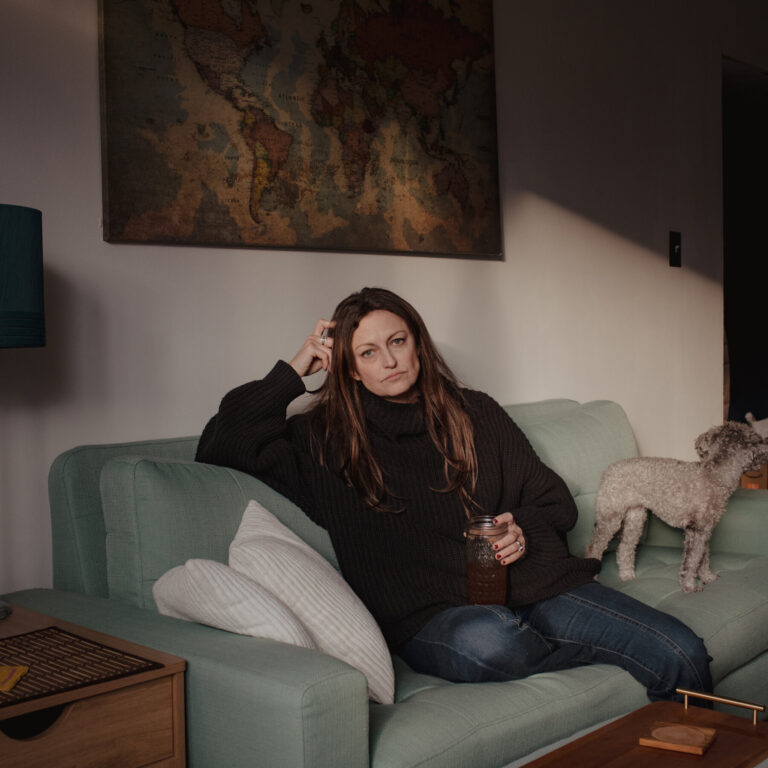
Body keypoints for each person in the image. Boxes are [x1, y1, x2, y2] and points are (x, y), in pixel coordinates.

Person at [196, 287, 712, 700]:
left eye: (398, 341)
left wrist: (521, 531)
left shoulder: (476, 411)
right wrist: (293, 371)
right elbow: (221, 443)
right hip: (431, 617)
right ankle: (583, 650)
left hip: (534, 586)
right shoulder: (323, 440)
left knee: (682, 650)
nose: (390, 361)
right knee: (494, 640)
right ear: (350, 368)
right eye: (369, 352)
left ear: (417, 343)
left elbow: (552, 500)